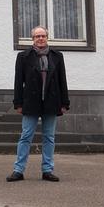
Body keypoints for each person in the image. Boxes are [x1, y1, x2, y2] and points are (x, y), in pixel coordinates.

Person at [6, 26, 69, 183]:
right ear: (32, 39)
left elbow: (62, 80)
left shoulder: (57, 56)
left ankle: (47, 170)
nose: (40, 39)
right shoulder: (23, 57)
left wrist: (64, 102)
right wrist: (18, 103)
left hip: (52, 102)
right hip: (31, 102)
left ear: (47, 37)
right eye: (37, 36)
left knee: (49, 137)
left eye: (43, 36)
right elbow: (18, 82)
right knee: (26, 136)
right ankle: (18, 170)